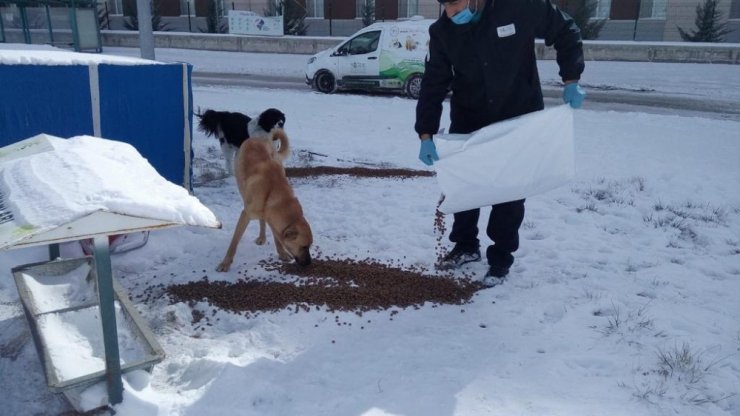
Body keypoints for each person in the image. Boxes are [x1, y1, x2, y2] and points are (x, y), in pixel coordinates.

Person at [415, 0, 586, 283]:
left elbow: (566, 29)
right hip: (470, 117)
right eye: (445, 6)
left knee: (509, 192)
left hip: (516, 116)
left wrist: (571, 78)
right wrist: (425, 133)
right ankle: (466, 245)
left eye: (455, 5)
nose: (451, 14)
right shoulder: (443, 32)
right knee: (465, 186)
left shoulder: (518, 7)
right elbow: (434, 84)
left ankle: (501, 259)